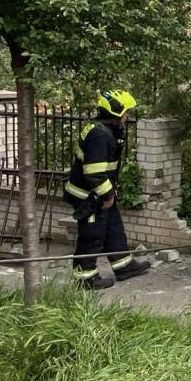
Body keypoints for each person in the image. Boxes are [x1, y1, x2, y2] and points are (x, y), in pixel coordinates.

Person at [63, 89, 152, 290]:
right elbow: (94, 172)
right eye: (126, 112)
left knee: (114, 228)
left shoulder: (103, 129)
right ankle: (85, 278)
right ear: (116, 112)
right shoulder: (100, 135)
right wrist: (107, 195)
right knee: (92, 235)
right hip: (89, 196)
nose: (127, 116)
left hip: (99, 192)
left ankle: (124, 266)